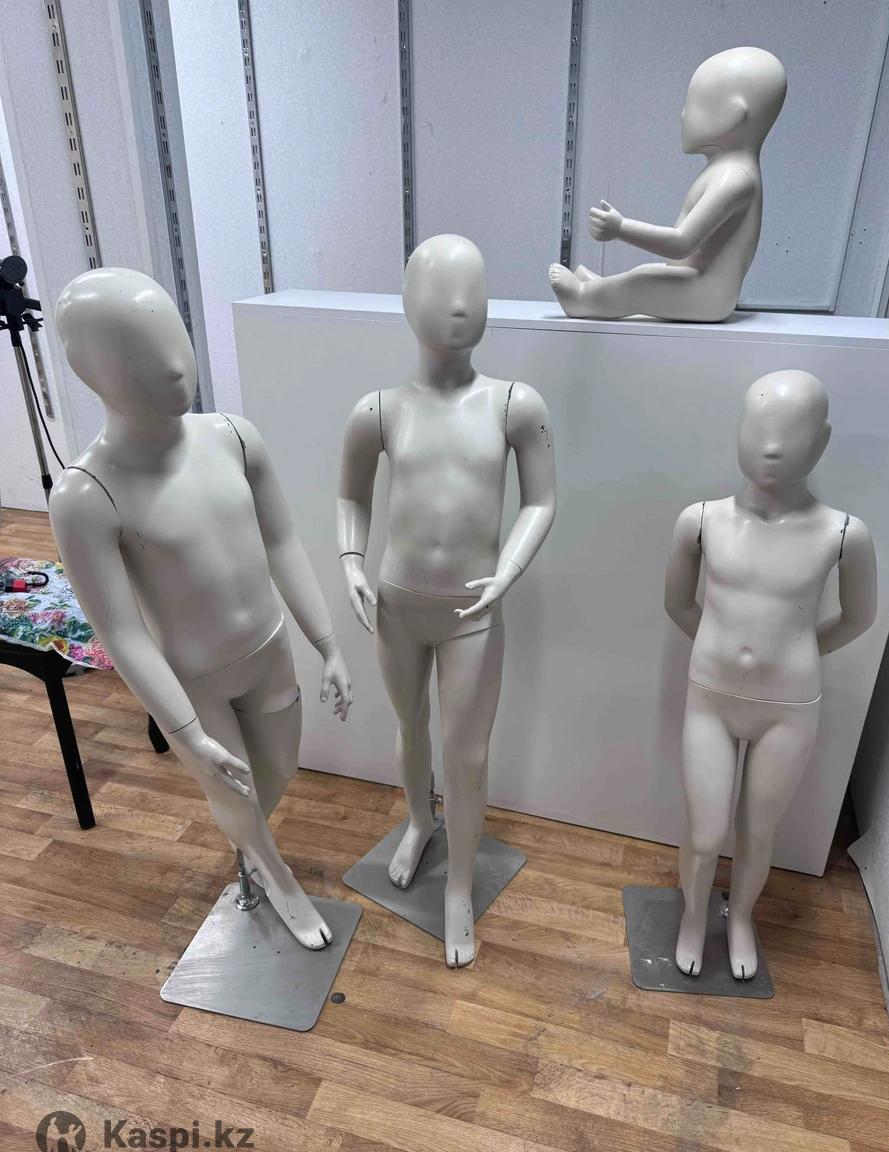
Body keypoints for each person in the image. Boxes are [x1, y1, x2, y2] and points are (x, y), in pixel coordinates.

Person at [50, 268, 352, 949]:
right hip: (194, 680)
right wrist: (184, 731)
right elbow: (120, 632)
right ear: (89, 370)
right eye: (137, 351)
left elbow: (282, 542)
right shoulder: (86, 495)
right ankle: (275, 875)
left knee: (278, 772)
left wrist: (328, 643)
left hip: (269, 650)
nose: (171, 363)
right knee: (234, 792)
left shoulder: (234, 437)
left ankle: (251, 845)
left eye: (175, 337)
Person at [337, 234, 556, 966]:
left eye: (474, 290)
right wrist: (350, 560)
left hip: (472, 610)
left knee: (466, 751)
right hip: (397, 603)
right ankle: (417, 822)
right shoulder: (378, 410)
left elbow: (542, 501)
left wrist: (508, 569)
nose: (460, 306)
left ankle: (459, 887)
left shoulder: (515, 405)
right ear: (407, 304)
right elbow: (350, 496)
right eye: (440, 291)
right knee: (409, 727)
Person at [664, 370, 876, 978]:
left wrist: (798, 652)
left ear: (822, 440)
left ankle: (741, 919)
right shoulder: (700, 521)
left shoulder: (843, 534)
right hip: (711, 696)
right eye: (758, 427)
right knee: (706, 832)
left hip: (789, 706)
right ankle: (694, 917)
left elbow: (859, 617)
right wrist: (719, 647)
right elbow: (678, 604)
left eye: (791, 431)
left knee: (759, 832)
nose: (772, 446)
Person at [550, 47, 786, 322]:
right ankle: (601, 291)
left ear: (731, 115)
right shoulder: (728, 171)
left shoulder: (734, 179)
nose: (683, 116)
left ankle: (583, 298)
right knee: (647, 275)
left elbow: (681, 243)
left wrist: (620, 228)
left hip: (706, 296)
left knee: (643, 279)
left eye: (694, 105)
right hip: (696, 282)